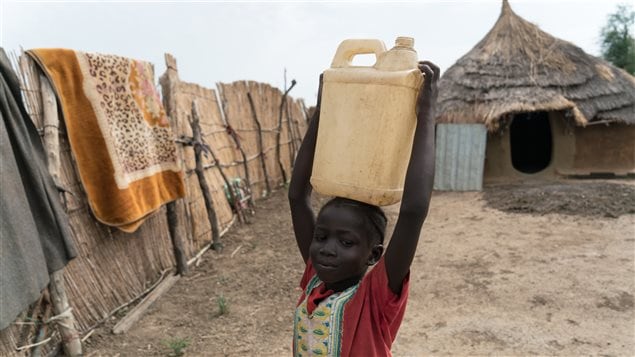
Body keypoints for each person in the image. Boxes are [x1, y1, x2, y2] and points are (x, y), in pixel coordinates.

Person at [287, 60, 439, 357]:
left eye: (346, 242)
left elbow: (413, 211)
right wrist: (324, 110)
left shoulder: (374, 297)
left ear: (374, 254)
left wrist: (427, 111)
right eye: (321, 237)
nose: (327, 249)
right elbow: (297, 196)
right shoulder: (315, 279)